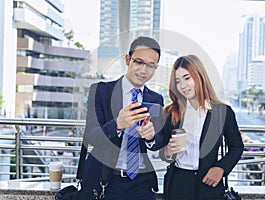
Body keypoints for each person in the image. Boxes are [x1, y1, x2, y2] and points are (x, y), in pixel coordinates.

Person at [81, 36, 164, 200]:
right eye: (139, 62)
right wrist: (117, 124)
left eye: (150, 65)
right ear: (128, 60)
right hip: (106, 180)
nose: (143, 70)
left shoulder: (156, 99)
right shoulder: (101, 91)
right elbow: (91, 136)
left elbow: (159, 141)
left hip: (141, 181)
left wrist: (151, 137)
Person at [159, 55, 244, 200]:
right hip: (177, 184)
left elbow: (237, 146)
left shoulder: (222, 112)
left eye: (187, 78)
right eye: (178, 81)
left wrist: (221, 168)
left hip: (209, 184)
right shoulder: (171, 112)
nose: (182, 86)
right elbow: (163, 152)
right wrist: (167, 151)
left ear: (200, 76)